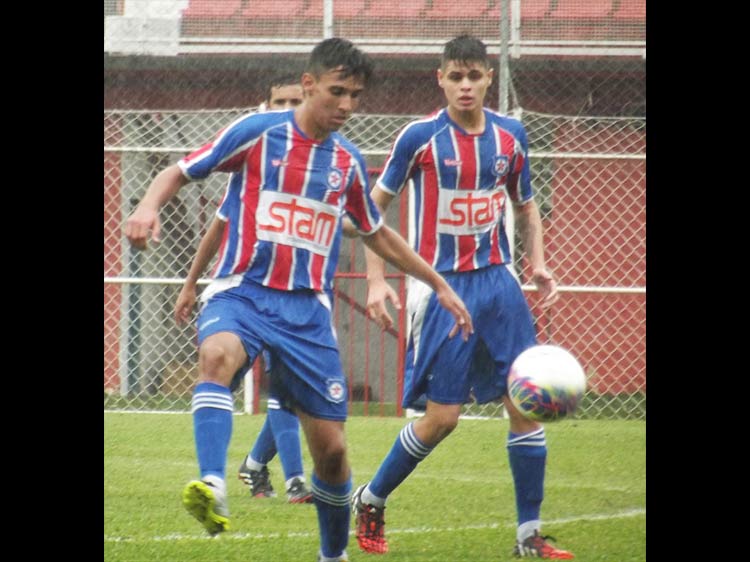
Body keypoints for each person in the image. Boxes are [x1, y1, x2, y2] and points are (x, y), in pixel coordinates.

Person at [125, 37, 473, 562]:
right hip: (242, 289)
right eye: (338, 91)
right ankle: (213, 485)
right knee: (216, 355)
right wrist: (148, 208)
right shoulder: (257, 134)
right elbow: (180, 170)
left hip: (307, 312)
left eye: (356, 95)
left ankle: (333, 555)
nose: (347, 105)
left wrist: (439, 283)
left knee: (331, 454)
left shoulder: (348, 162)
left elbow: (375, 231)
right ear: (309, 85)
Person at [351, 34, 574, 559]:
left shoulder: (511, 136)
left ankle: (528, 536)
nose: (466, 85)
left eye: (475, 76)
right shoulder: (420, 139)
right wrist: (378, 279)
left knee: (525, 404)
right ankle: (371, 497)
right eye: (456, 76)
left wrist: (536, 263)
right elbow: (370, 212)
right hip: (441, 288)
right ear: (441, 79)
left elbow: (526, 205)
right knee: (442, 419)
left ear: (488, 78)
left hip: (499, 283)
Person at [173, 78, 314, 504]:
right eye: (279, 102)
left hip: (299, 296)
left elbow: (362, 223)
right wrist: (189, 283)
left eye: (294, 102)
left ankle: (255, 464)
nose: (285, 109)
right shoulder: (249, 165)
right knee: (230, 365)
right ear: (263, 106)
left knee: (298, 392)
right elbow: (218, 226)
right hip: (246, 295)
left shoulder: (326, 162)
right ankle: (291, 482)